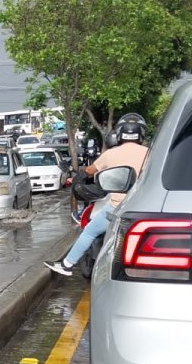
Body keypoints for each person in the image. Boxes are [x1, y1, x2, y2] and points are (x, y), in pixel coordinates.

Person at [45, 115, 150, 276]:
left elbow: (89, 171)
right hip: (145, 206)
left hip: (117, 207)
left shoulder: (111, 154)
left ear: (120, 133)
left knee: (89, 231)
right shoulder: (150, 154)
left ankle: (67, 265)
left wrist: (79, 175)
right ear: (141, 133)